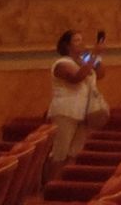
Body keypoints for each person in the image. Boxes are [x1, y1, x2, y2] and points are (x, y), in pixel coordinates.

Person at [48, 30, 106, 176]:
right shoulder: (62, 63)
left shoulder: (84, 61)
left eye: (82, 39)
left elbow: (100, 74)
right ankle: (52, 183)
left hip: (84, 112)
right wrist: (93, 55)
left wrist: (98, 56)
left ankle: (66, 181)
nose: (81, 43)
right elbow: (77, 77)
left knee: (74, 152)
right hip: (65, 112)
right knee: (60, 152)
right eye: (76, 40)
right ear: (67, 45)